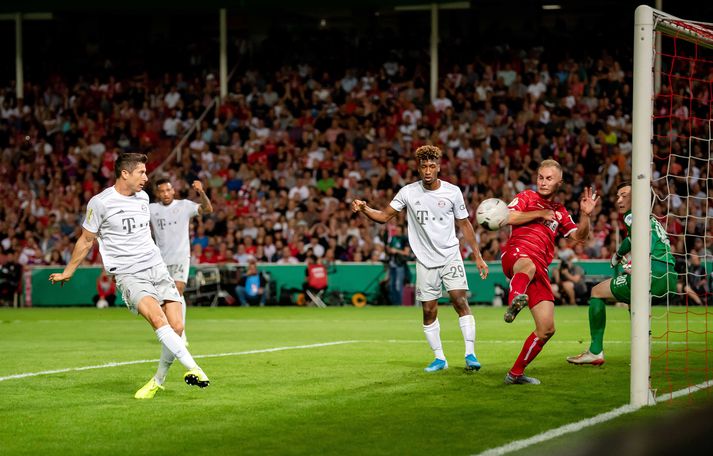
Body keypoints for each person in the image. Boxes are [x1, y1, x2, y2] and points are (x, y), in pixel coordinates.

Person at [48, 153, 210, 399]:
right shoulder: (100, 203)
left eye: (145, 172)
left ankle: (157, 381)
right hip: (129, 274)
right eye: (141, 173)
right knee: (158, 319)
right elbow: (86, 240)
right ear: (125, 173)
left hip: (157, 267)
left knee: (177, 327)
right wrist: (68, 271)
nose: (146, 178)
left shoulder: (143, 198)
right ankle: (194, 368)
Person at [352, 144, 489, 372]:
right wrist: (365, 209)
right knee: (428, 310)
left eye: (432, 166)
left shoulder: (452, 192)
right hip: (425, 260)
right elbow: (385, 216)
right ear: (418, 168)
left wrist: (478, 256)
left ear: (438, 167)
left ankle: (470, 354)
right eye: (424, 166)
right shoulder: (408, 192)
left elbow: (464, 224)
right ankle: (440, 359)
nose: (427, 171)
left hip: (450, 255)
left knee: (459, 300)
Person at [502, 159, 597, 384]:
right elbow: (507, 217)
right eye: (540, 177)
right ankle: (515, 300)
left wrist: (586, 215)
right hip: (517, 256)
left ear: (559, 182)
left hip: (540, 270)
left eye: (549, 179)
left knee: (546, 329)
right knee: (528, 264)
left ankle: (515, 374)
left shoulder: (560, 212)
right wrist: (539, 214)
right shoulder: (526, 197)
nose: (543, 183)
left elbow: (580, 238)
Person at [567, 181, 678, 365]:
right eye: (618, 196)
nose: (619, 199)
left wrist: (640, 264)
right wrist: (618, 254)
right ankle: (642, 351)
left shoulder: (632, 215)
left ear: (638, 197)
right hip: (669, 276)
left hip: (652, 272)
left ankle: (595, 352)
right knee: (632, 302)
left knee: (596, 291)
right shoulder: (649, 218)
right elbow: (632, 238)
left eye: (624, 195)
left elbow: (646, 241)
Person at [150, 178, 213, 344]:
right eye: (161, 191)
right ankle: (170, 330)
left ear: (173, 191)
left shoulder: (184, 206)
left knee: (177, 291)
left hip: (180, 256)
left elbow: (208, 209)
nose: (165, 194)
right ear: (158, 193)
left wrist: (201, 192)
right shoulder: (151, 209)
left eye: (167, 190)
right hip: (160, 260)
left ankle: (180, 332)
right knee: (164, 298)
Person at [386, 224, 411, 305]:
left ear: (402, 230)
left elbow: (406, 253)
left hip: (400, 264)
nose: (397, 231)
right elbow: (389, 249)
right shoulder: (393, 238)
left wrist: (396, 251)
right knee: (391, 285)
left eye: (399, 230)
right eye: (396, 230)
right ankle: (394, 304)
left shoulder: (404, 239)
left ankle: (399, 304)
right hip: (392, 264)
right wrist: (389, 250)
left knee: (398, 285)